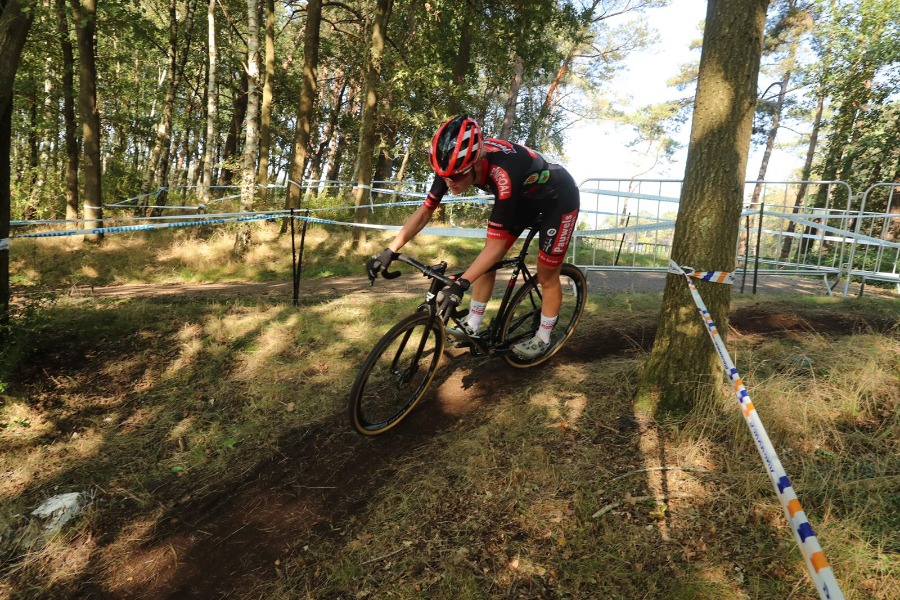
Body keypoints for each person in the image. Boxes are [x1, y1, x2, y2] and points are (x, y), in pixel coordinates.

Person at [366, 115, 580, 359]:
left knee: (546, 274)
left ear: (476, 163)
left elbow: (496, 247)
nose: (450, 183)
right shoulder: (451, 165)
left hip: (559, 199)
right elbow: (426, 211)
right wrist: (390, 249)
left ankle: (543, 336)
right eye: (444, 177)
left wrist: (461, 284)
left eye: (457, 177)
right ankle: (474, 322)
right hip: (523, 198)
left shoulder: (502, 173)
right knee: (486, 265)